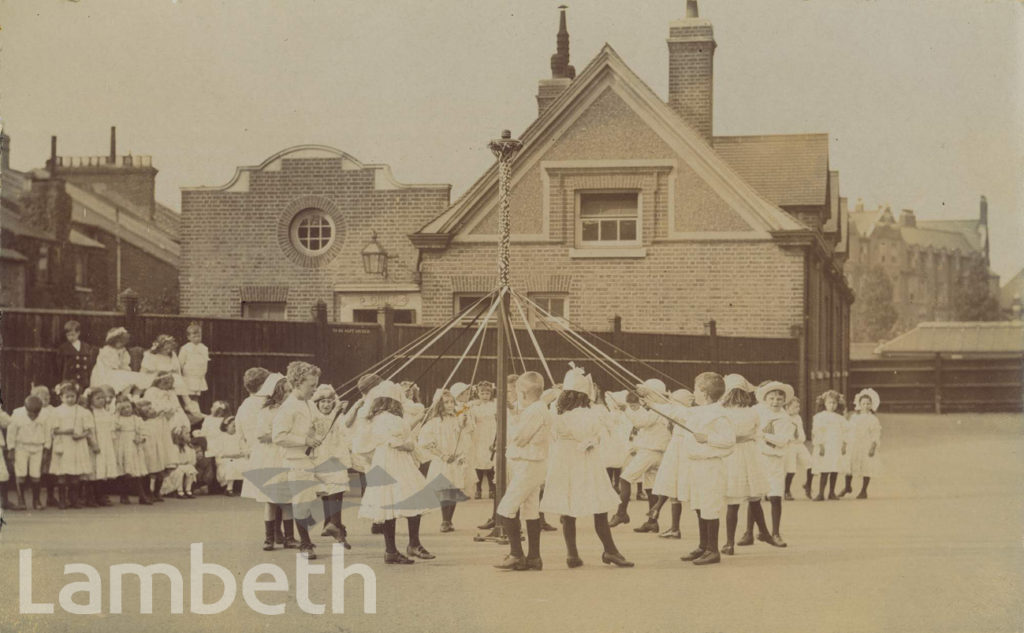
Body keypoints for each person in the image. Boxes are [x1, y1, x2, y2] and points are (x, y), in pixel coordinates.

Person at [541, 366, 633, 569]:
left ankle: (572, 554)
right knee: (598, 506)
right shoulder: (587, 413)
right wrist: (595, 436)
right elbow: (588, 435)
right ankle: (610, 550)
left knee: (568, 506)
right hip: (584, 461)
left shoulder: (555, 413)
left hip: (563, 461)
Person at [358, 380, 436, 565]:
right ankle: (396, 548)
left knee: (404, 498)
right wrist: (407, 446)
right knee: (398, 499)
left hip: (396, 460)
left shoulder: (385, 418)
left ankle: (406, 546)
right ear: (391, 401)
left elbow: (406, 436)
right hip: (391, 460)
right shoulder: (382, 419)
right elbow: (390, 440)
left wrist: (415, 451)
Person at [272, 361, 336, 560]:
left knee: (308, 500)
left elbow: (316, 424)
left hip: (310, 460)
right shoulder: (288, 407)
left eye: (316, 385)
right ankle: (305, 545)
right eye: (311, 386)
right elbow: (278, 436)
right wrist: (305, 440)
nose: (314, 389)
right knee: (301, 502)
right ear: (298, 383)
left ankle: (308, 537)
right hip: (295, 461)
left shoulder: (308, 403)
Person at [493, 371, 554, 571]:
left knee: (505, 508)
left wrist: (513, 421)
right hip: (531, 462)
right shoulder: (537, 408)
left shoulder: (534, 411)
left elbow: (519, 437)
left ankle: (516, 554)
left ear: (524, 393)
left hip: (528, 463)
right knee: (530, 509)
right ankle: (534, 557)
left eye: (517, 392)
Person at [677, 372, 735, 566]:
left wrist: (707, 438)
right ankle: (703, 546)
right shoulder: (701, 410)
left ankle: (713, 550)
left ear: (705, 392)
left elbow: (729, 442)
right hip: (697, 465)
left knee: (710, 506)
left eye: (696, 389)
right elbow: (677, 411)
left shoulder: (719, 415)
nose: (693, 392)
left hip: (711, 466)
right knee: (700, 505)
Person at [240, 372, 295, 551]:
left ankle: (289, 537)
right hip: (272, 455)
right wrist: (280, 436)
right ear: (277, 393)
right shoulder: (267, 411)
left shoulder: (291, 409)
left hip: (286, 454)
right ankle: (269, 538)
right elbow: (261, 435)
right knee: (271, 500)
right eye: (286, 392)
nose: (289, 395)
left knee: (287, 499)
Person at [717, 376, 770, 554]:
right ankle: (764, 532)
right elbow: (757, 432)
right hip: (749, 454)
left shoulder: (723, 412)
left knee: (733, 501)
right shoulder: (752, 412)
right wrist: (748, 436)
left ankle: (729, 543)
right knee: (753, 498)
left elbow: (725, 435)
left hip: (732, 454)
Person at [610, 379, 672, 532]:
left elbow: (640, 422)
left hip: (650, 451)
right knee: (651, 486)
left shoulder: (658, 409)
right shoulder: (664, 408)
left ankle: (621, 513)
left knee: (625, 479)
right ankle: (652, 521)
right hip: (660, 452)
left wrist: (627, 409)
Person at [419, 388, 472, 532]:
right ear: (440, 405)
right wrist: (442, 455)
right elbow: (427, 442)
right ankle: (444, 520)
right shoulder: (434, 423)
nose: (449, 405)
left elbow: (465, 433)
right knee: (445, 490)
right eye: (446, 402)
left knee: (454, 489)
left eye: (451, 402)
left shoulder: (457, 419)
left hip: (455, 459)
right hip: (442, 459)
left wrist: (465, 419)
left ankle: (449, 520)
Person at [751, 381, 796, 548]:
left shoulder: (785, 419)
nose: (775, 402)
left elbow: (782, 440)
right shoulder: (759, 412)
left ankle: (775, 532)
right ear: (765, 399)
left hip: (775, 460)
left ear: (784, 400)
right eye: (771, 398)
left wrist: (764, 436)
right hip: (760, 458)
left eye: (779, 398)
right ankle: (749, 532)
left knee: (775, 496)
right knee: (754, 495)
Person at [646, 388, 694, 539]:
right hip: (676, 449)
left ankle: (672, 525)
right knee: (672, 488)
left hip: (680, 451)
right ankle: (674, 527)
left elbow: (669, 409)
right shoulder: (681, 412)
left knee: (674, 487)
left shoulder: (684, 412)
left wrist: (650, 403)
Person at [309, 384, 351, 549]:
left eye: (329, 401)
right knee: (331, 489)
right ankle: (334, 524)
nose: (326, 405)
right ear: (317, 403)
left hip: (336, 455)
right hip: (321, 456)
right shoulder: (314, 417)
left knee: (337, 488)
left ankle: (334, 524)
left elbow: (344, 429)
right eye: (323, 402)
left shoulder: (338, 416)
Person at [144, 371, 191, 500]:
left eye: (170, 382)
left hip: (167, 424)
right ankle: (149, 490)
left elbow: (176, 408)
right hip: (154, 424)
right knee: (155, 458)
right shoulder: (151, 392)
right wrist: (163, 409)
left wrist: (180, 423)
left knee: (165, 458)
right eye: (165, 382)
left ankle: (158, 491)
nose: (168, 385)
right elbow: (150, 408)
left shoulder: (171, 394)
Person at [49, 381, 94, 509]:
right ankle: (62, 500)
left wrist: (80, 435)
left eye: (72, 396)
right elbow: (53, 430)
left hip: (77, 444)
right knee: (62, 472)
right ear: (61, 397)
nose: (70, 399)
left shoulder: (83, 412)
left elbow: (89, 430)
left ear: (77, 397)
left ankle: (73, 499)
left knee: (75, 473)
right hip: (63, 444)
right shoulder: (56, 411)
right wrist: (65, 431)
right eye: (67, 396)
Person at [7, 395, 51, 511]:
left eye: (36, 413)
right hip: (21, 446)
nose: (33, 416)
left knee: (35, 474)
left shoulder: (45, 415)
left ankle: (36, 500)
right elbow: (11, 433)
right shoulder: (17, 414)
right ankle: (21, 500)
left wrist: (46, 449)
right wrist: (11, 449)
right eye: (31, 413)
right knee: (20, 473)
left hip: (37, 447)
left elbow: (48, 432)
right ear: (25, 408)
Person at [111, 394, 151, 504]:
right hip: (121, 446)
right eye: (122, 408)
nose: (126, 410)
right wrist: (116, 421)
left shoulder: (136, 419)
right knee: (124, 472)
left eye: (128, 407)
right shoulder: (116, 419)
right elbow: (111, 430)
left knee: (136, 471)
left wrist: (141, 438)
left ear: (132, 407)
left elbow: (144, 431)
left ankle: (142, 496)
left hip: (133, 447)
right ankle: (124, 495)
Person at [84, 387, 119, 506]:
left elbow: (111, 429)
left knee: (103, 470)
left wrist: (113, 443)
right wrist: (93, 444)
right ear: (91, 400)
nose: (101, 401)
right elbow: (89, 430)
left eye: (103, 398)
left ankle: (101, 496)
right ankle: (90, 497)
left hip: (106, 443)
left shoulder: (106, 412)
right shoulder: (90, 413)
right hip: (96, 443)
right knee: (94, 471)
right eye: (98, 398)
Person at [812, 390, 847, 501]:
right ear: (824, 404)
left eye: (834, 403)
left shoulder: (840, 418)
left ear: (838, 404)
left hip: (836, 444)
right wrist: (820, 445)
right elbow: (817, 432)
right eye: (829, 403)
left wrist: (844, 444)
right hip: (825, 445)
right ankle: (821, 493)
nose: (832, 405)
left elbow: (846, 431)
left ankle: (832, 492)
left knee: (834, 468)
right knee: (824, 468)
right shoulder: (819, 417)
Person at [91, 327, 148, 394]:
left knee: (137, 378)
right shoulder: (107, 350)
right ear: (113, 341)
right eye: (119, 341)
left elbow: (125, 364)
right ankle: (123, 396)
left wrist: (125, 370)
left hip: (118, 372)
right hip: (105, 373)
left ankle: (130, 397)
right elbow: (112, 366)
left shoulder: (123, 350)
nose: (120, 344)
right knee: (127, 379)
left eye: (122, 342)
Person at [848, 388, 882, 499]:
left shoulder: (873, 419)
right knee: (850, 464)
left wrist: (873, 447)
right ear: (859, 404)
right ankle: (847, 486)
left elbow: (875, 434)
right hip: (854, 444)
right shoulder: (854, 417)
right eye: (864, 403)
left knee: (867, 466)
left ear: (872, 405)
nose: (866, 406)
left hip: (866, 444)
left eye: (868, 403)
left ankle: (864, 490)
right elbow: (848, 430)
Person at [468, 381, 497, 499]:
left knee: (491, 460)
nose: (485, 396)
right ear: (478, 394)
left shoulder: (494, 404)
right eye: (482, 393)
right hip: (479, 435)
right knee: (478, 461)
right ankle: (478, 489)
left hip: (491, 433)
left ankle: (492, 489)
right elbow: (465, 414)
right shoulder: (474, 405)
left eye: (487, 393)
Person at [783, 397, 814, 500]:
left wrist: (802, 438)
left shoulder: (798, 417)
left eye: (798, 406)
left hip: (799, 444)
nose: (798, 409)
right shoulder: (783, 417)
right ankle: (786, 491)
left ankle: (808, 486)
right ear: (787, 407)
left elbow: (800, 431)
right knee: (791, 469)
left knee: (811, 464)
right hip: (790, 445)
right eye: (795, 407)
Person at [56, 320, 98, 392]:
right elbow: (59, 365)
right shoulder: (63, 348)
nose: (70, 337)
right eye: (68, 335)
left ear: (78, 333)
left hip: (83, 380)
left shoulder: (86, 347)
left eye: (72, 334)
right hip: (69, 379)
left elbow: (90, 364)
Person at [215, 416, 246, 497]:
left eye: (236, 426)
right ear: (226, 426)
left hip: (238, 458)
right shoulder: (221, 437)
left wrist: (240, 454)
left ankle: (246, 489)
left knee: (246, 463)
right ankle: (229, 488)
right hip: (225, 460)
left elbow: (243, 450)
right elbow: (220, 453)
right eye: (233, 426)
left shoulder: (238, 437)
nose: (235, 428)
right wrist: (232, 455)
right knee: (230, 464)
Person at [178, 322, 210, 400]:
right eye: (194, 336)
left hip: (199, 376)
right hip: (189, 376)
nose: (197, 338)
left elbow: (205, 362)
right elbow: (180, 363)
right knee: (188, 394)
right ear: (189, 337)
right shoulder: (185, 348)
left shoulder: (204, 348)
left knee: (196, 395)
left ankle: (195, 408)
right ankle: (190, 409)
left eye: (199, 336)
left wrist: (203, 372)